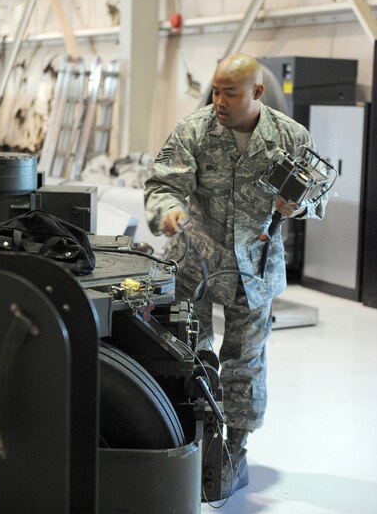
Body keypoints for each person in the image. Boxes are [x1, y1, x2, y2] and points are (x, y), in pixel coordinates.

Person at [144, 52, 328, 499]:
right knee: (190, 356)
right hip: (195, 262)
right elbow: (163, 185)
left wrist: (298, 206)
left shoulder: (290, 137)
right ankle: (193, 441)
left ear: (257, 93)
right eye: (216, 90)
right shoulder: (194, 130)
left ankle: (235, 452)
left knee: (245, 364)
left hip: (255, 267)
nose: (219, 100)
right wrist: (169, 213)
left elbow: (316, 193)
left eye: (230, 92)